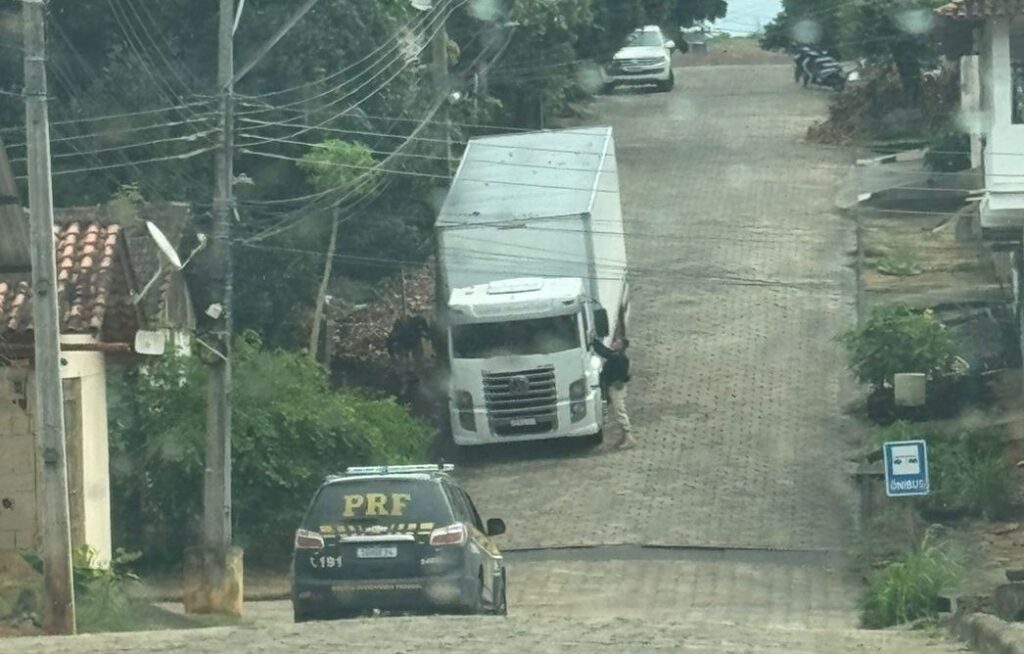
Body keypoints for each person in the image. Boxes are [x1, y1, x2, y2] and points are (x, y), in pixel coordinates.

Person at [591, 337, 635, 450]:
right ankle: (624, 437)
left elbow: (604, 353)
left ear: (621, 346)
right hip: (614, 387)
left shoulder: (618, 357)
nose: (614, 343)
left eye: (617, 342)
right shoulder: (617, 356)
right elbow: (605, 351)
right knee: (618, 411)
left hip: (616, 389)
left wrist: (593, 343)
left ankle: (628, 437)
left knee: (619, 411)